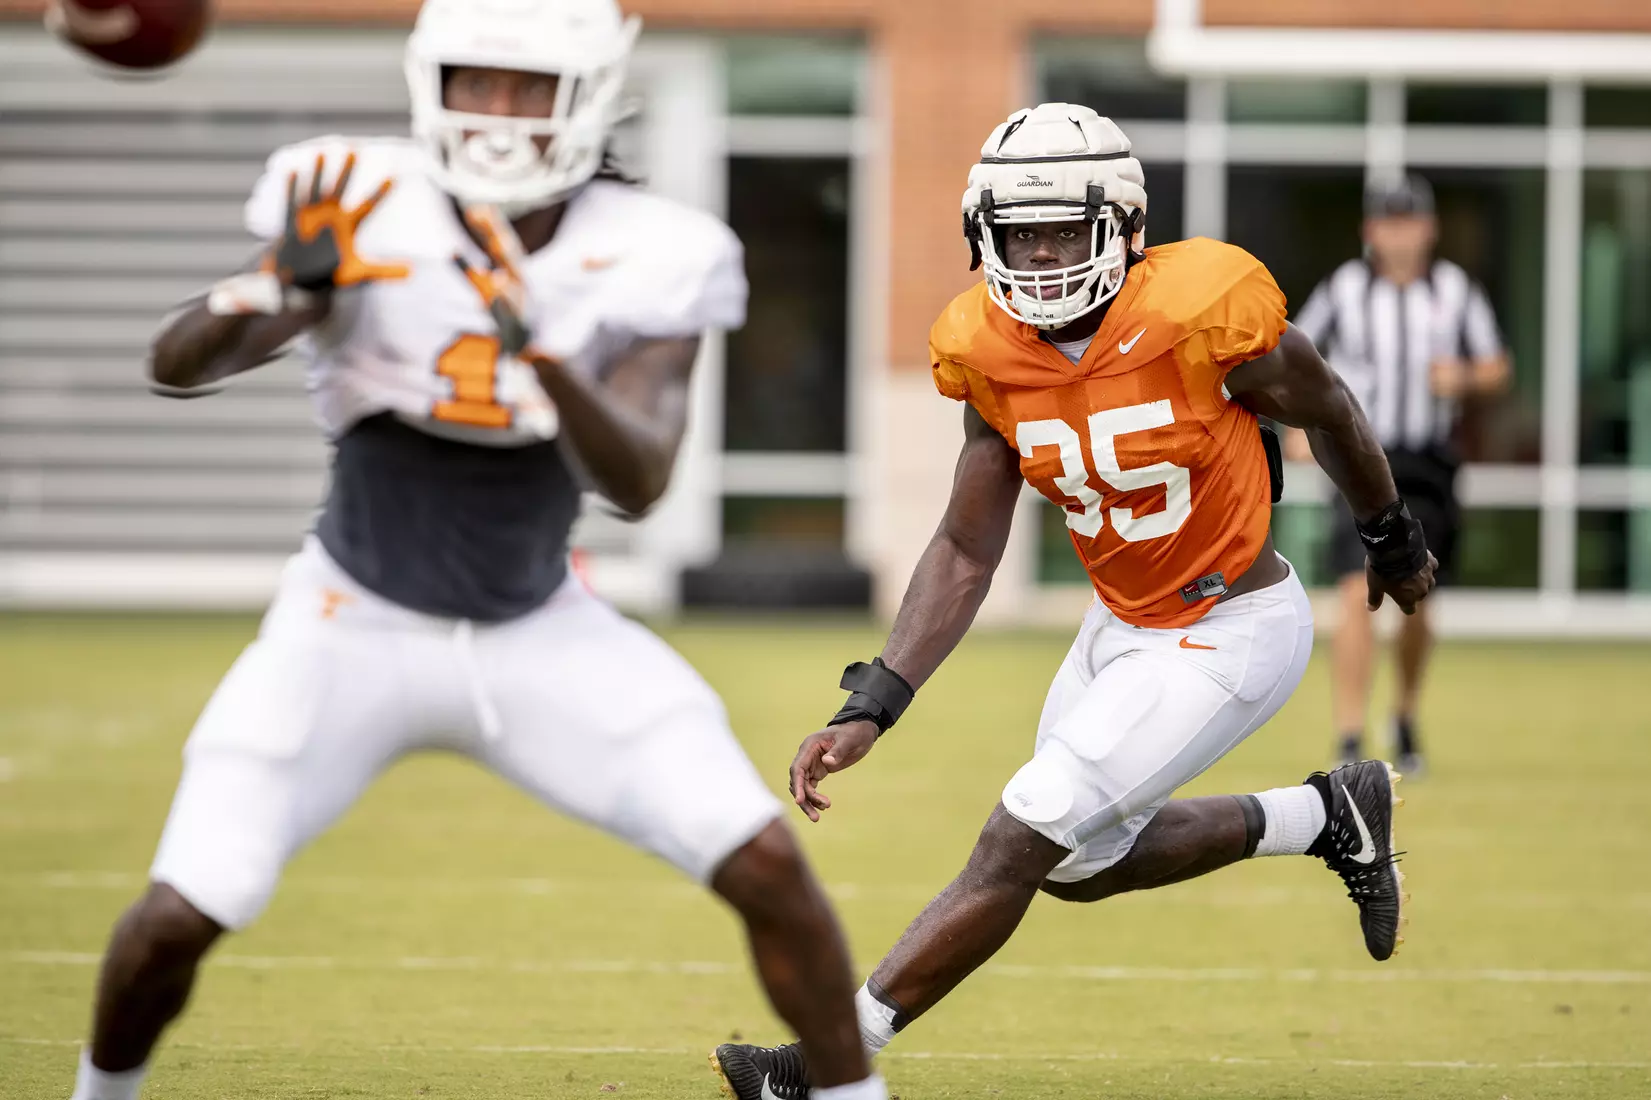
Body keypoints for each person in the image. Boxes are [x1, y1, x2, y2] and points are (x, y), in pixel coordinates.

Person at [67, 3, 883, 1100]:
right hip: (346, 623)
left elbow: (639, 479)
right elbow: (178, 363)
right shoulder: (356, 196)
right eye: (475, 80)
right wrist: (269, 287)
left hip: (538, 630)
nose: (496, 111)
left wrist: (541, 351)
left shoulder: (654, 245)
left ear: (587, 96)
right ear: (428, 80)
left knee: (766, 862)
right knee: (179, 909)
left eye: (525, 86)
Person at [709, 103, 1436, 1100]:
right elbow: (967, 543)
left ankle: (822, 1063)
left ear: (1123, 226)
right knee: (1079, 862)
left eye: (1062, 229)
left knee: (1022, 829)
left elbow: (1334, 410)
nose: (1041, 254)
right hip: (1122, 625)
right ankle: (1324, 813)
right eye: (1019, 234)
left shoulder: (1201, 309)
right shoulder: (987, 349)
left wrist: (1389, 536)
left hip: (1232, 626)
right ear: (984, 239)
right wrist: (873, 696)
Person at [1291, 174, 1510, 774]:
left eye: (1409, 222)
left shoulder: (1454, 291)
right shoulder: (1344, 289)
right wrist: (1299, 428)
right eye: (1389, 223)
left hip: (1426, 460)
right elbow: (1296, 359)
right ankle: (1350, 736)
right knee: (1352, 593)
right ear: (1371, 231)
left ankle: (1406, 715)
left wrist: (1463, 379)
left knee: (1420, 597)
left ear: (1428, 229)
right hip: (1361, 455)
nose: (1400, 235)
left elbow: (1496, 365)